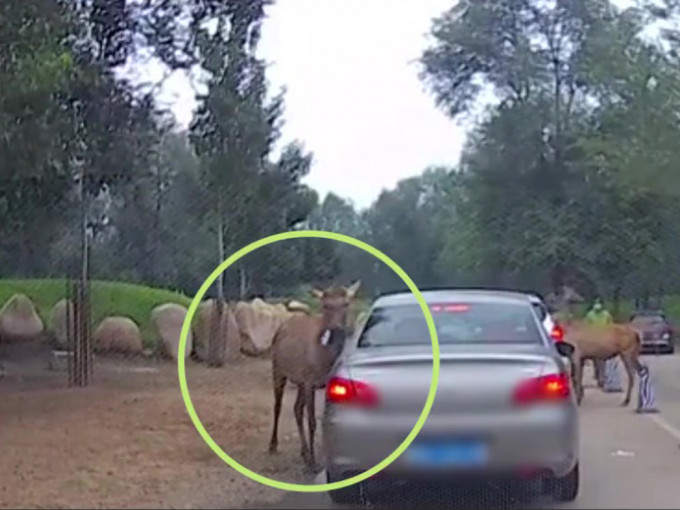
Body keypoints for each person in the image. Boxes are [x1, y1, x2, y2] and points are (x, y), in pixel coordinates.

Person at [585, 298, 613, 388]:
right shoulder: (590, 314)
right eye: (596, 303)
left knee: (602, 359)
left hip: (604, 339)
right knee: (595, 359)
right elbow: (586, 326)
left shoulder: (606, 314)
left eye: (599, 303)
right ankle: (598, 375)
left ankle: (602, 378)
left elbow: (611, 325)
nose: (598, 306)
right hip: (593, 339)